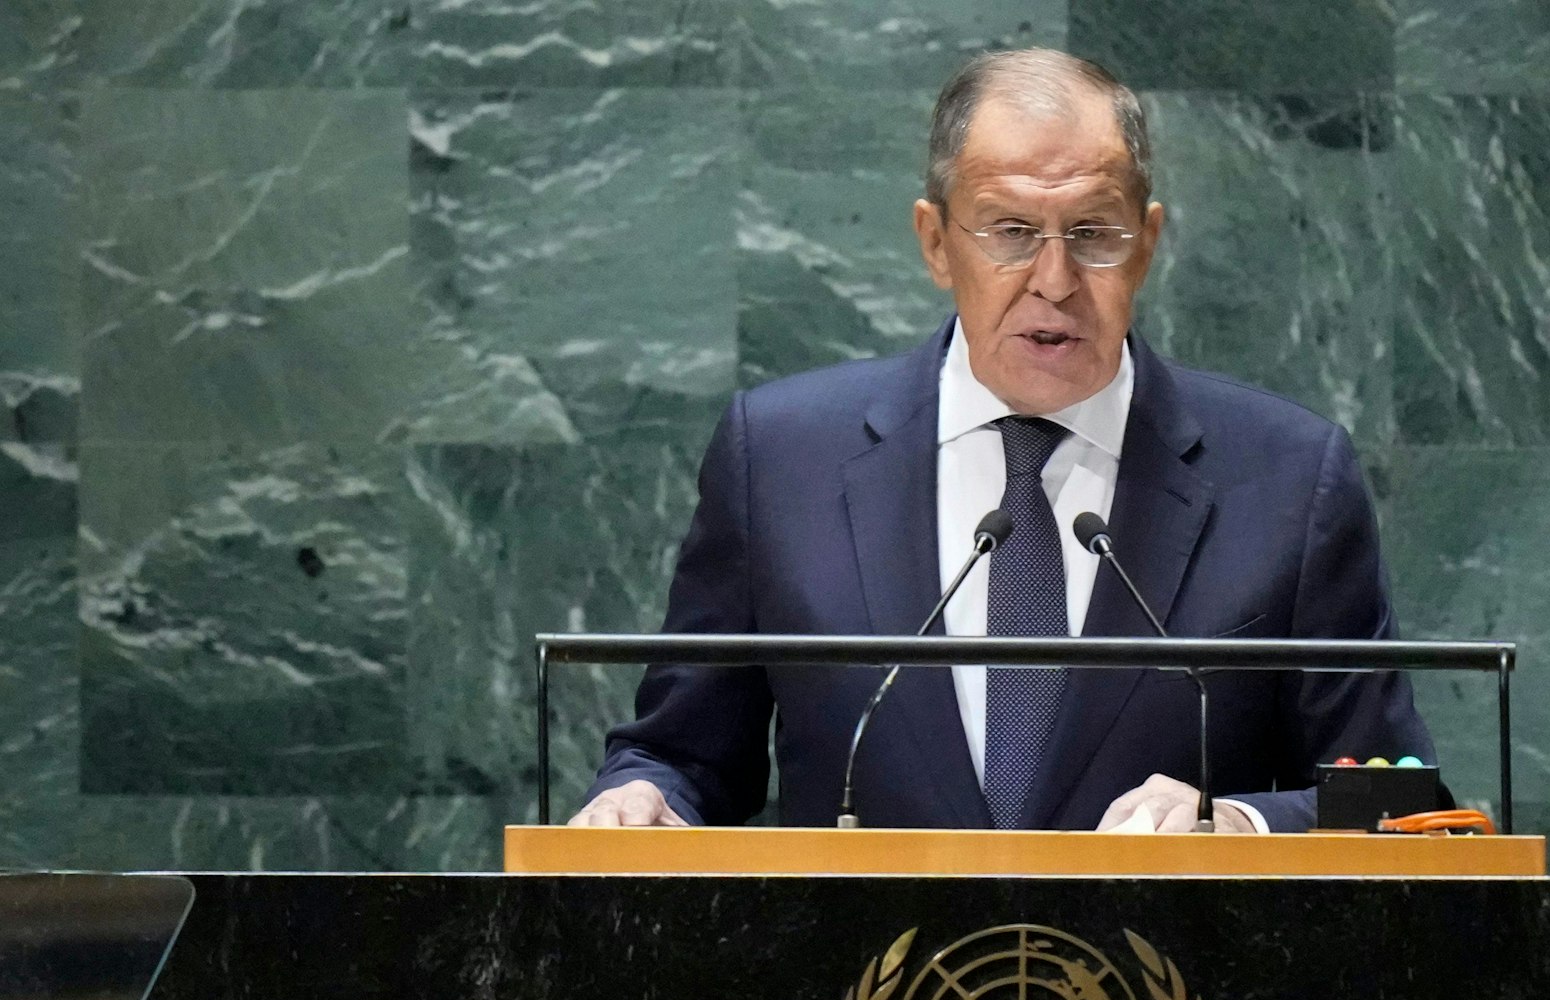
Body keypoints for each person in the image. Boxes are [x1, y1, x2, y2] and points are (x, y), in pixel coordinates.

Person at [572, 48, 1432, 834]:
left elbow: (1398, 802)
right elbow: (683, 755)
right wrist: (644, 799)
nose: (1053, 282)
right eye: (1011, 233)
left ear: (1149, 242)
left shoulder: (1287, 478)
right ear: (936, 243)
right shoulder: (781, 458)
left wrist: (1237, 825)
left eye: (1094, 233)